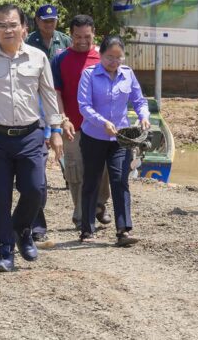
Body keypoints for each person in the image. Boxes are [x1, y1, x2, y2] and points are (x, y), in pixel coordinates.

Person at [0, 4, 63, 272]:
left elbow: (48, 95)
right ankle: (5, 248)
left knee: (36, 189)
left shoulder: (38, 58)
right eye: (2, 25)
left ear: (24, 28)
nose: (8, 30)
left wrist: (56, 130)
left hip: (30, 134)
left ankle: (21, 228)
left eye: (13, 25)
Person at [77, 36, 150, 247]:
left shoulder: (127, 74)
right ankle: (87, 230)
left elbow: (139, 100)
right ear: (100, 55)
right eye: (110, 57)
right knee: (92, 181)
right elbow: (84, 106)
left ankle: (123, 230)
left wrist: (144, 116)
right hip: (94, 136)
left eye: (119, 57)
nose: (114, 62)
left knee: (120, 180)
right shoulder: (89, 74)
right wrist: (103, 122)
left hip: (120, 138)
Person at [51, 14, 111, 230]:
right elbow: (55, 93)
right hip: (72, 126)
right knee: (75, 170)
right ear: (71, 35)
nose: (82, 41)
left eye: (87, 36)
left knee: (102, 169)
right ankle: (81, 214)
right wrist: (62, 119)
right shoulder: (60, 59)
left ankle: (98, 204)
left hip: (100, 127)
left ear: (94, 34)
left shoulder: (104, 58)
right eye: (78, 37)